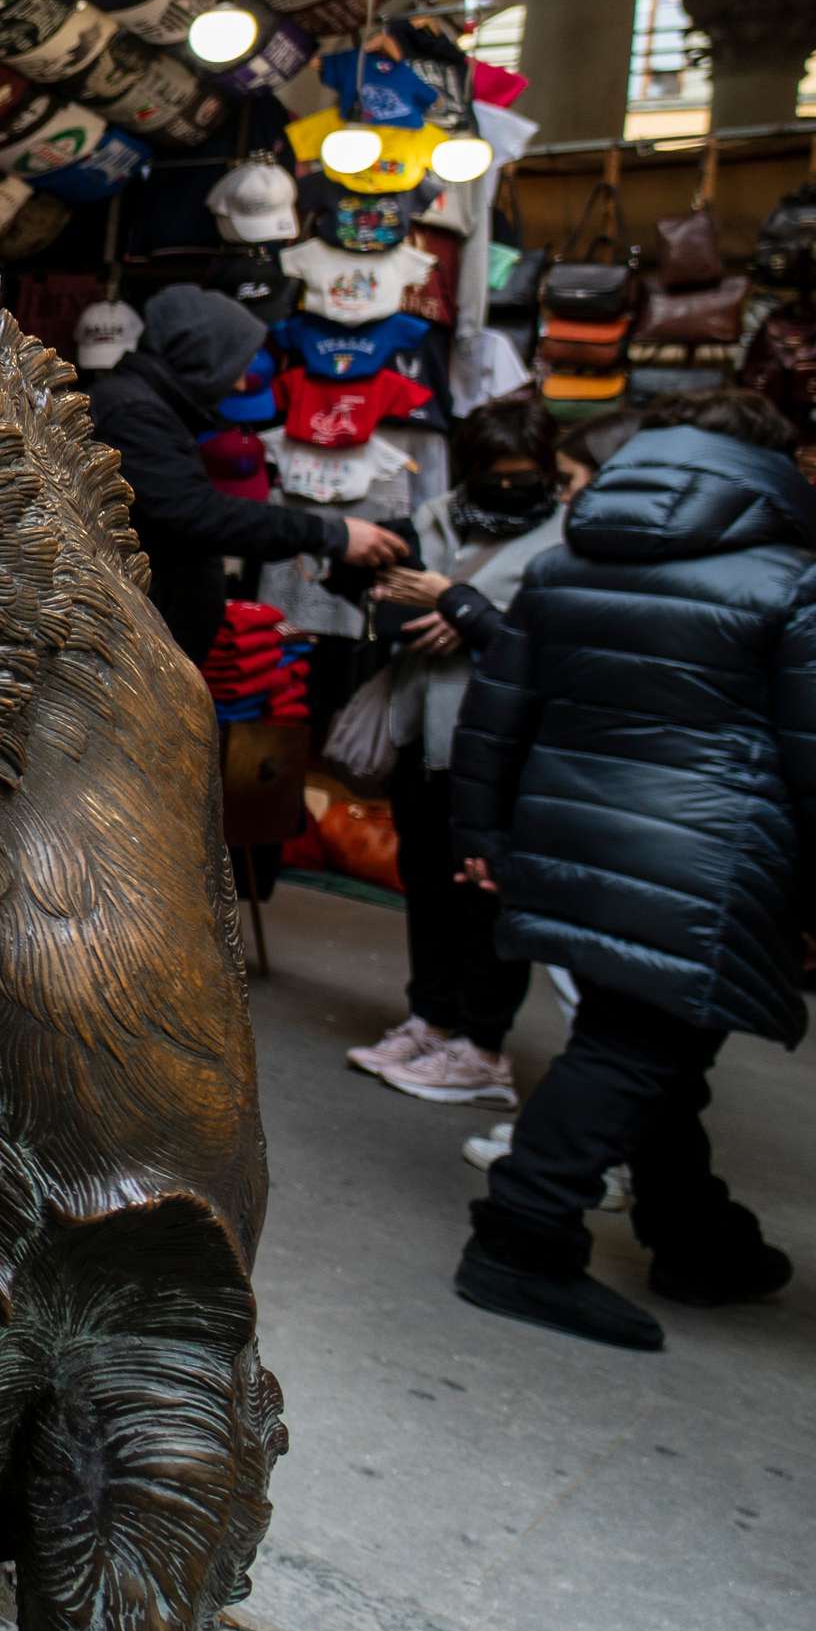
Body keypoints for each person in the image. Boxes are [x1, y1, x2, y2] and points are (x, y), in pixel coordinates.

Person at [448, 389, 816, 1348]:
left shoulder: (568, 567)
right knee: (634, 1045)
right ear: (772, 473)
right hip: (712, 868)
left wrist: (487, 838)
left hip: (579, 844)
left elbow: (497, 713)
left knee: (656, 1047)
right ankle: (521, 1237)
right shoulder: (795, 587)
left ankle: (699, 1233)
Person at [344, 397, 567, 1108]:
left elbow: (553, 656)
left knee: (486, 899)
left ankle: (484, 1047)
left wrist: (463, 611)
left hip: (501, 749)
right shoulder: (436, 516)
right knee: (428, 884)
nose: (509, 489)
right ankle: (431, 1020)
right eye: (495, 475)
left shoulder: (568, 544)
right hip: (425, 730)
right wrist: (405, 611)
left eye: (523, 475)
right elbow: (386, 596)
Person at [83, 283, 407, 657]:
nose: (239, 383)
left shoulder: (146, 407)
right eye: (235, 367)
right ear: (204, 357)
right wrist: (331, 534)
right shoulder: (133, 413)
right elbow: (195, 513)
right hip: (130, 649)